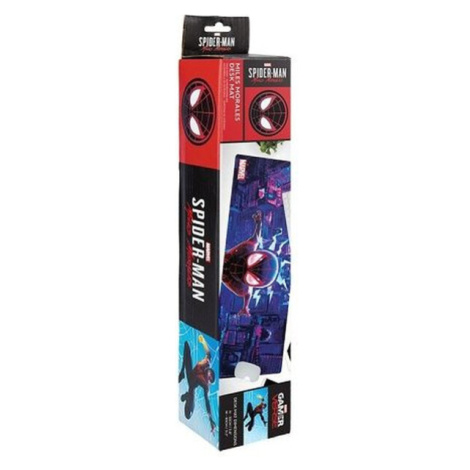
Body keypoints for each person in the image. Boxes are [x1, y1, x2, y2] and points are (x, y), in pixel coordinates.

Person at [222, 210, 279, 315]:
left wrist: (245, 307)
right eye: (251, 261)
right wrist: (258, 223)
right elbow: (256, 238)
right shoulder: (248, 248)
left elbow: (248, 294)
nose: (242, 268)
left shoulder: (243, 289)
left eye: (250, 277)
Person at [179, 335, 216, 433]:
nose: (209, 375)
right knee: (186, 345)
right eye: (210, 374)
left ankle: (187, 396)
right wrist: (203, 341)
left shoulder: (205, 384)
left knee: (188, 415)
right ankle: (182, 373)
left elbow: (207, 403)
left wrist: (210, 420)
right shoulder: (206, 362)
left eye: (209, 378)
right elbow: (208, 353)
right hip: (189, 373)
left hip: (191, 389)